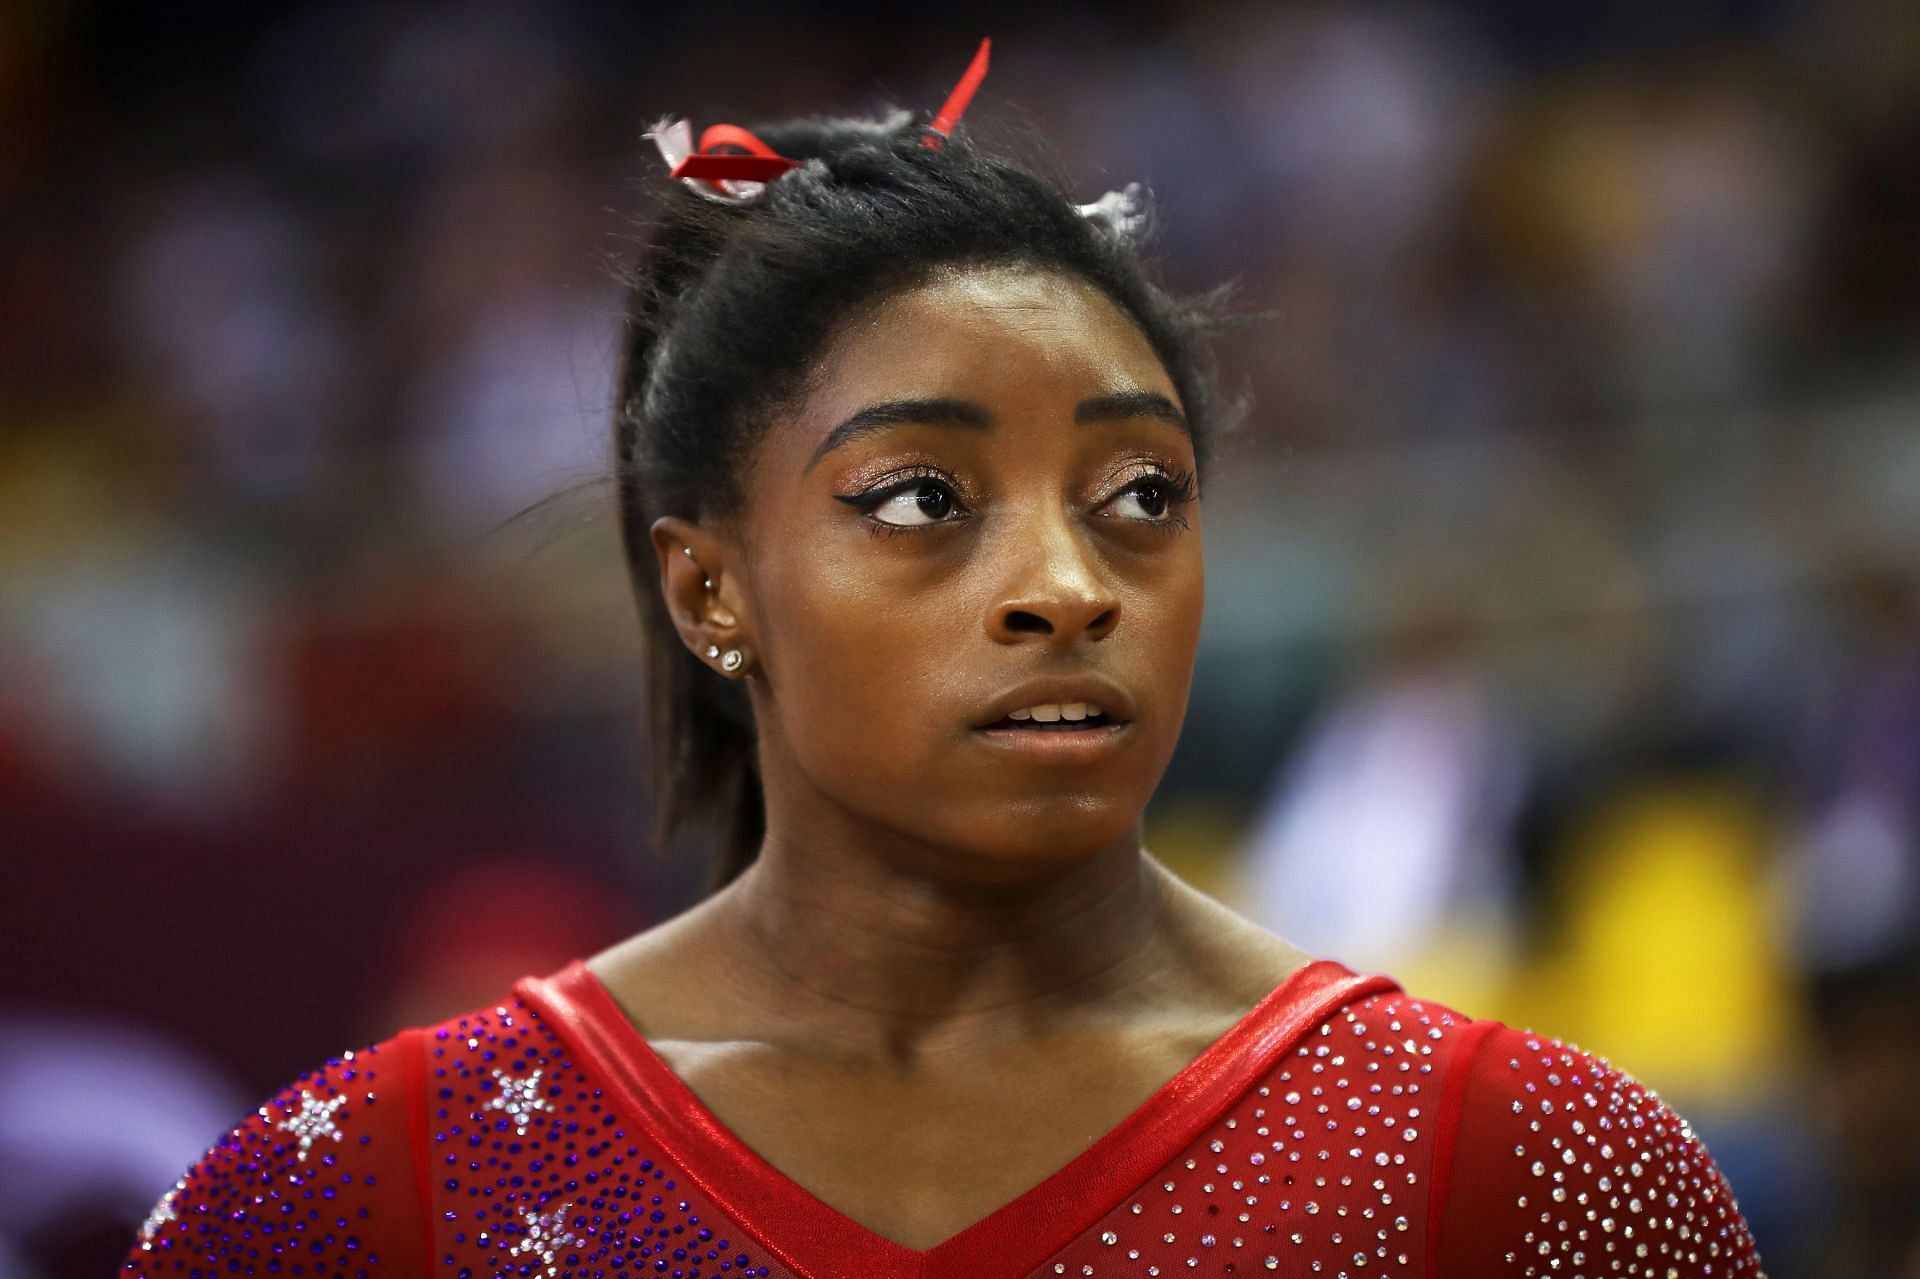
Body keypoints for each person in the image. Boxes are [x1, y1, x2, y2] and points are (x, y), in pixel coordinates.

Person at [121, 42, 1761, 1279]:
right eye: (921, 497)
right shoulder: (369, 1195)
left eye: (1139, 495)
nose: (1066, 585)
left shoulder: (1524, 1167)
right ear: (711, 591)